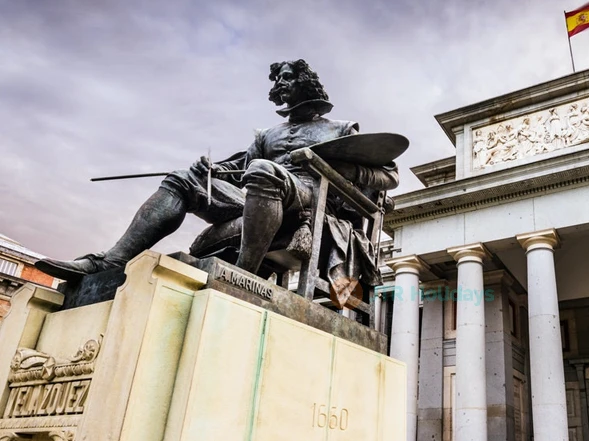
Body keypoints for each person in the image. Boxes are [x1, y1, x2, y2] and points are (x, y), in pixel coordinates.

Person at [37, 59, 399, 282]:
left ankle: (242, 273)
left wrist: (339, 166)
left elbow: (389, 176)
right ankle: (110, 261)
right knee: (184, 178)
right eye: (277, 81)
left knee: (262, 171)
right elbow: (237, 170)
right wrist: (210, 170)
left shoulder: (339, 128)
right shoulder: (268, 134)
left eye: (286, 77)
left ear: (305, 81)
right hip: (258, 191)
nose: (279, 85)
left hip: (307, 198)